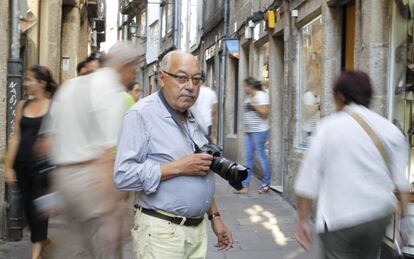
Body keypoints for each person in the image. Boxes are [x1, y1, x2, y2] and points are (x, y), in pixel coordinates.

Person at [114, 50, 233, 259]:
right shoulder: (140, 114)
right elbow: (123, 176)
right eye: (181, 78)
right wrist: (178, 167)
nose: (190, 86)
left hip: (196, 231)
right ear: (162, 78)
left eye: (196, 80)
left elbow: (200, 168)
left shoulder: (190, 115)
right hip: (161, 234)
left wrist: (214, 216)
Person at [294, 70, 411, 259]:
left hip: (340, 217)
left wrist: (303, 221)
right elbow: (401, 182)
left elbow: (307, 181)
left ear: (340, 95)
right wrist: (406, 221)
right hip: (378, 215)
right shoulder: (390, 130)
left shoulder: (328, 127)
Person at [46, 41, 138, 258]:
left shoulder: (70, 86)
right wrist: (113, 210)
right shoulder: (110, 91)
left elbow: (48, 141)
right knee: (104, 248)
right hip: (92, 183)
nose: (132, 76)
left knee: (73, 250)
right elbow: (107, 155)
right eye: (134, 70)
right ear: (125, 65)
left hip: (64, 180)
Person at [4, 65, 57, 259]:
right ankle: (44, 241)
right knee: (28, 212)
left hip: (43, 170)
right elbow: (15, 137)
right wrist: (9, 167)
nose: (25, 83)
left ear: (41, 83)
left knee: (40, 214)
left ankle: (35, 255)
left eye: (29, 80)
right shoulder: (22, 106)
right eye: (25, 80)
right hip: (22, 166)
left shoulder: (53, 107)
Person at [238, 77, 271, 194]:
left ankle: (266, 184)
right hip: (249, 132)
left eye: (245, 86)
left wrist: (255, 105)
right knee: (248, 159)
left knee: (262, 157)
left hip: (260, 131)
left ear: (250, 86)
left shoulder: (262, 95)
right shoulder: (248, 96)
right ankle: (245, 185)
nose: (244, 88)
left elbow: (265, 114)